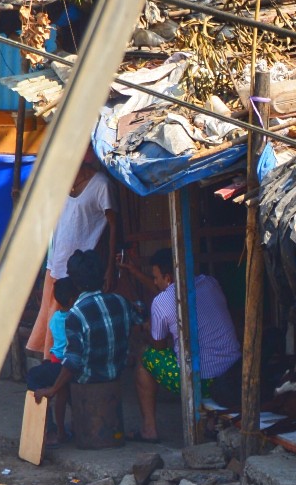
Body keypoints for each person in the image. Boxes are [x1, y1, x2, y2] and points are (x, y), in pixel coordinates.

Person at [126, 247, 243, 441]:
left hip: (203, 381)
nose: (154, 282)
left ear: (168, 277)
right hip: (232, 371)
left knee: (146, 357)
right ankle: (211, 421)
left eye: (156, 278)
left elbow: (159, 347)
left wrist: (148, 329)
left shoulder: (160, 302)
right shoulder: (210, 282)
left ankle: (149, 430)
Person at [28, 154, 116, 359]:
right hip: (57, 263)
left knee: (69, 324)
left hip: (79, 270)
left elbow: (113, 226)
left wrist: (110, 267)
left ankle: (62, 371)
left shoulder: (101, 185)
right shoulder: (64, 182)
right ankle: (51, 367)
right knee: (53, 321)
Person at [32, 249, 132, 411]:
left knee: (34, 376)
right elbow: (142, 315)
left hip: (88, 380)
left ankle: (50, 431)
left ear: (75, 283)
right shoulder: (121, 302)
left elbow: (72, 362)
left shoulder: (76, 315)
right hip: (116, 375)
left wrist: (53, 389)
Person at [25, 275, 80, 437]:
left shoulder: (55, 318)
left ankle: (51, 426)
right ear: (72, 300)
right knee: (63, 395)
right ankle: (61, 429)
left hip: (58, 362)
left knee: (36, 379)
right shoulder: (75, 318)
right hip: (66, 364)